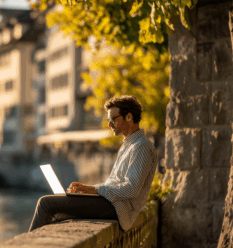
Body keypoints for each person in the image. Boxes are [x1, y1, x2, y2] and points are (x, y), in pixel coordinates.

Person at [29, 95, 157, 232]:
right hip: (113, 206)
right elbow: (115, 185)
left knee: (46, 204)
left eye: (113, 119)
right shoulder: (129, 146)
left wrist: (93, 190)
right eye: (109, 120)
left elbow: (130, 189)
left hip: (118, 210)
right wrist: (88, 189)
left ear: (129, 117)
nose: (109, 124)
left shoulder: (141, 146)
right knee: (57, 210)